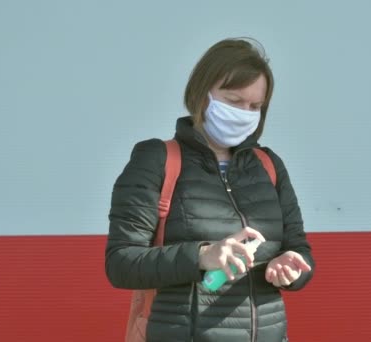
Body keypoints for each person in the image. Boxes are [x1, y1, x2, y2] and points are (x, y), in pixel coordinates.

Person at [105, 37, 315, 342]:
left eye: (255, 106)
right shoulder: (156, 159)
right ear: (202, 95)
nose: (246, 112)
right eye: (233, 100)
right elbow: (120, 263)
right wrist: (202, 256)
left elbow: (300, 249)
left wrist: (293, 268)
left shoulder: (268, 164)